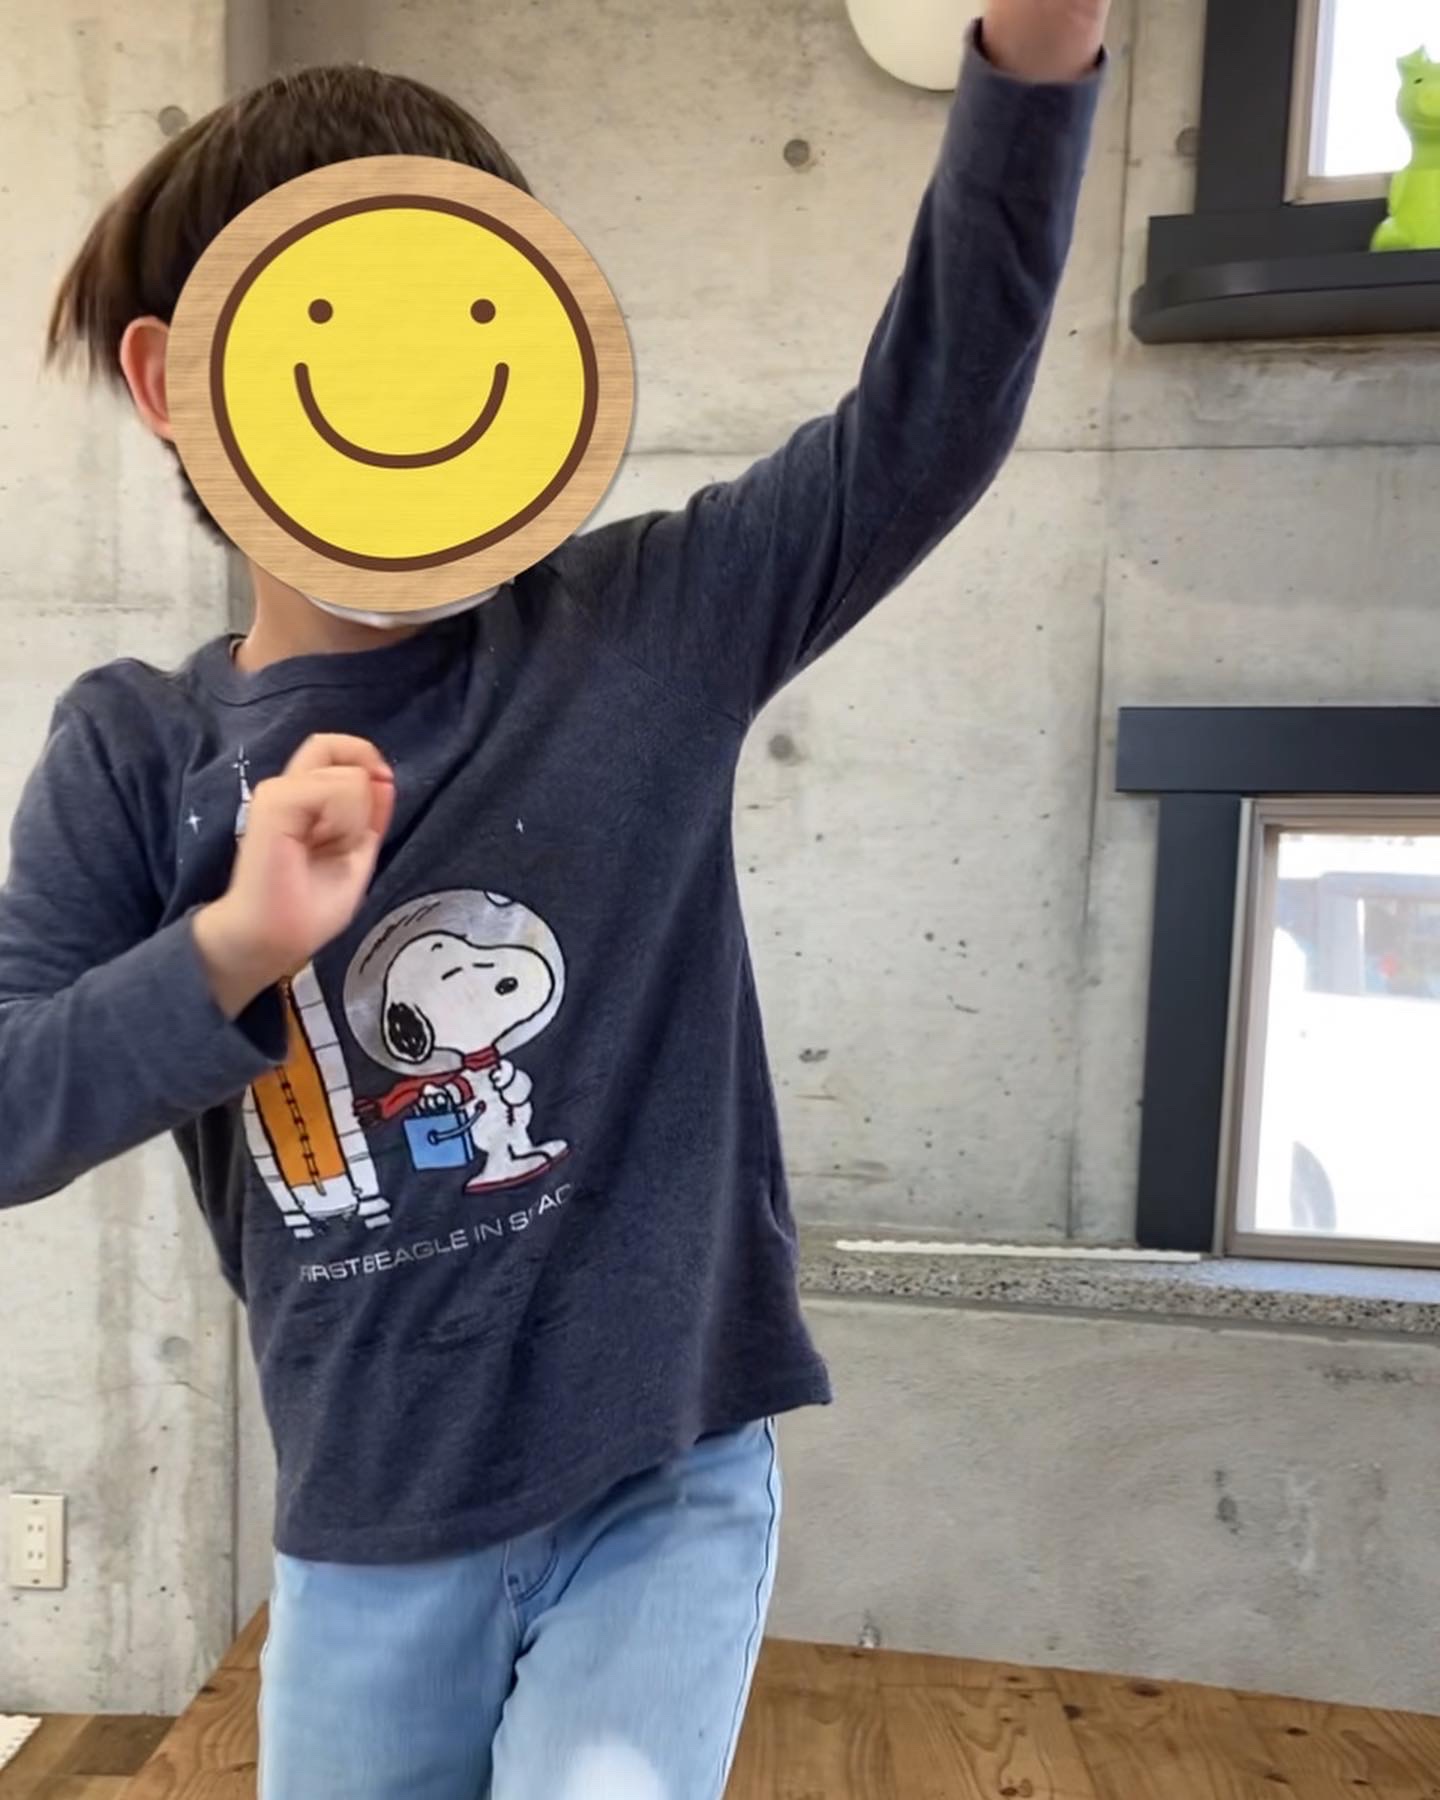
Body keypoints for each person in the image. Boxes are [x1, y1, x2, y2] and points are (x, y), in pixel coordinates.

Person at [1, 3, 1106, 1794]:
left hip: (660, 1480)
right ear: (171, 379)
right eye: (342, 326)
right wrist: (235, 946)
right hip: (367, 1525)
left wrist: (1037, 64)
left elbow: (935, 410)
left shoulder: (648, 627)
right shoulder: (139, 753)